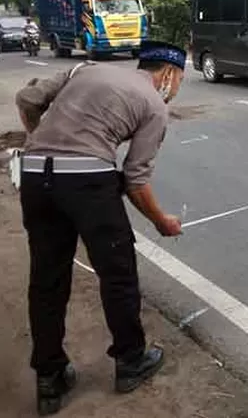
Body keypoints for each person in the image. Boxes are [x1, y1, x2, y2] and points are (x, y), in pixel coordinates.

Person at [15, 40, 186, 416]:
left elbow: (27, 98)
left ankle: (49, 377)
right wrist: (162, 221)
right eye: (179, 82)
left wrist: (37, 139)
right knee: (117, 273)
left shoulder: (84, 69)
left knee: (47, 279)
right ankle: (130, 360)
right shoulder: (154, 105)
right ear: (170, 74)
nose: (176, 90)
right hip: (87, 180)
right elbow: (136, 180)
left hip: (33, 175)